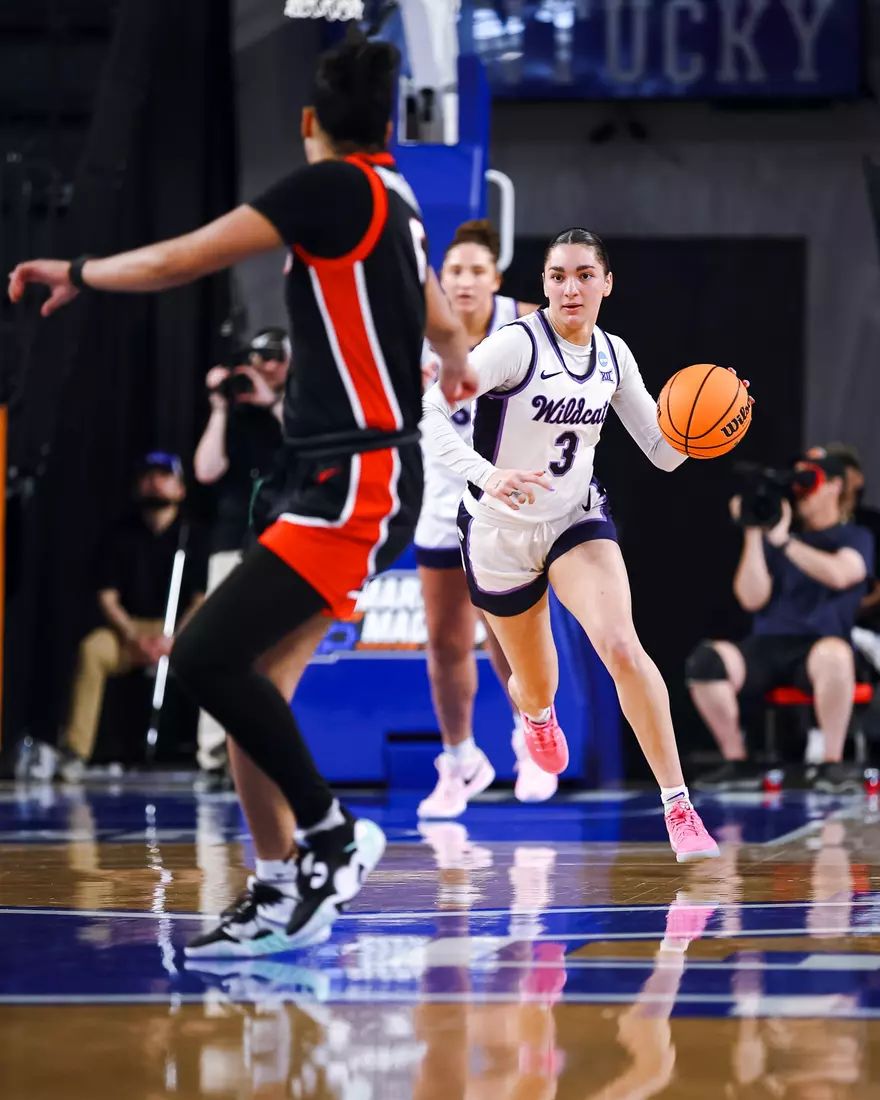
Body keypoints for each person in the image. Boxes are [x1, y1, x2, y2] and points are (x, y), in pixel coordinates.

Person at [9, 31, 475, 956]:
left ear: (310, 124)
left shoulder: (330, 188)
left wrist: (83, 272)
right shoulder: (403, 197)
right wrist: (457, 360)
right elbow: (437, 314)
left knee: (203, 657)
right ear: (386, 122)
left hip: (355, 478)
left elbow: (188, 256)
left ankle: (333, 839)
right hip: (347, 472)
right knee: (250, 697)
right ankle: (275, 889)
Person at [421, 227, 721, 862]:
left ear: (607, 284)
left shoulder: (614, 356)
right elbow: (429, 413)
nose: (570, 287)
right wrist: (489, 473)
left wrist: (711, 429)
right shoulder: (514, 346)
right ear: (544, 286)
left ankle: (679, 807)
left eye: (584, 274)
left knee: (620, 644)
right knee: (535, 686)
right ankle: (536, 719)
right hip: (497, 531)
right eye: (558, 276)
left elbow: (663, 454)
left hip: (574, 521)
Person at [414, 219, 549, 819]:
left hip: (502, 500)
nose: (464, 281)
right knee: (444, 643)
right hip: (439, 497)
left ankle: (531, 733)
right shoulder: (419, 332)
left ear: (495, 279)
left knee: (500, 632)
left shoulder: (522, 325)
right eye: (454, 271)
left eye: (476, 271)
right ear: (440, 280)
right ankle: (461, 759)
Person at [687, 449, 875, 793]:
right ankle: (738, 762)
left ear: (834, 486)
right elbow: (751, 598)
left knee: (834, 656)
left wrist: (785, 542)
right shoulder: (778, 536)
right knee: (707, 661)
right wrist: (754, 532)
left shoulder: (854, 537)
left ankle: (830, 764)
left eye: (810, 481)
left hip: (820, 647)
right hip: (768, 644)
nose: (801, 492)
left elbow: (840, 574)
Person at [58, 453, 205, 781]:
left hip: (181, 630)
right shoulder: (120, 534)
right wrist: (135, 637)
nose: (155, 482)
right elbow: (106, 597)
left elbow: (201, 599)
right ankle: (75, 752)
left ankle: (214, 756)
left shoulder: (192, 535)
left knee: (219, 659)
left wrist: (173, 638)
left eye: (163, 476)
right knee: (93, 649)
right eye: (148, 476)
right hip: (130, 629)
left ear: (180, 488)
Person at [193, 327, 290, 785]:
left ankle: (262, 751)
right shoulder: (233, 412)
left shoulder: (297, 404)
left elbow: (304, 446)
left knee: (269, 645)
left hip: (278, 541)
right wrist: (219, 407)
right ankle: (214, 754)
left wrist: (270, 400)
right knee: (215, 642)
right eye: (257, 358)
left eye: (273, 358)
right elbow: (206, 470)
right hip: (231, 540)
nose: (263, 367)